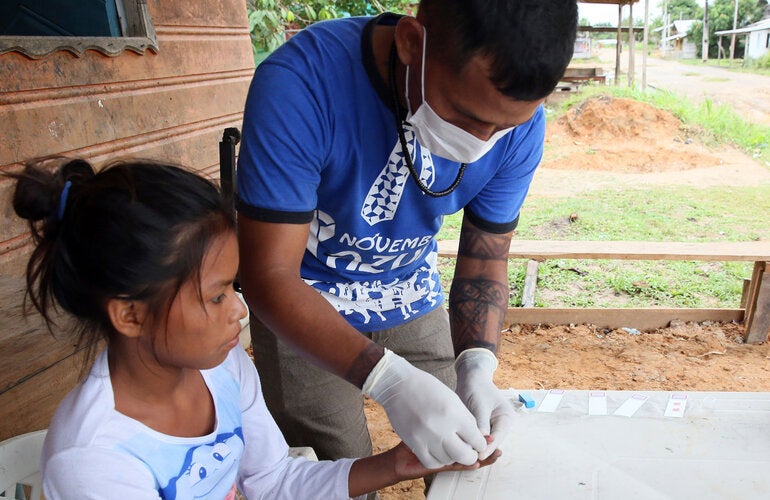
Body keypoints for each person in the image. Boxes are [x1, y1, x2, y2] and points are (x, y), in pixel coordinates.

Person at [9, 158, 498, 499]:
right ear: (131, 315)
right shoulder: (92, 461)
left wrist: (395, 465)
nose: (239, 310)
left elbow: (274, 482)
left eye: (233, 287)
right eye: (217, 295)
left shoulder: (223, 369)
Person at [236, 0, 578, 471]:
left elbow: (485, 258)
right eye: (464, 115)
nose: (483, 140)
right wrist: (390, 380)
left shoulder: (518, 123)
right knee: (334, 461)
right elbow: (267, 273)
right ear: (412, 43)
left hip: (409, 288)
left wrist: (477, 363)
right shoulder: (302, 84)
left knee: (462, 442)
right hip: (303, 297)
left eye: (506, 126)